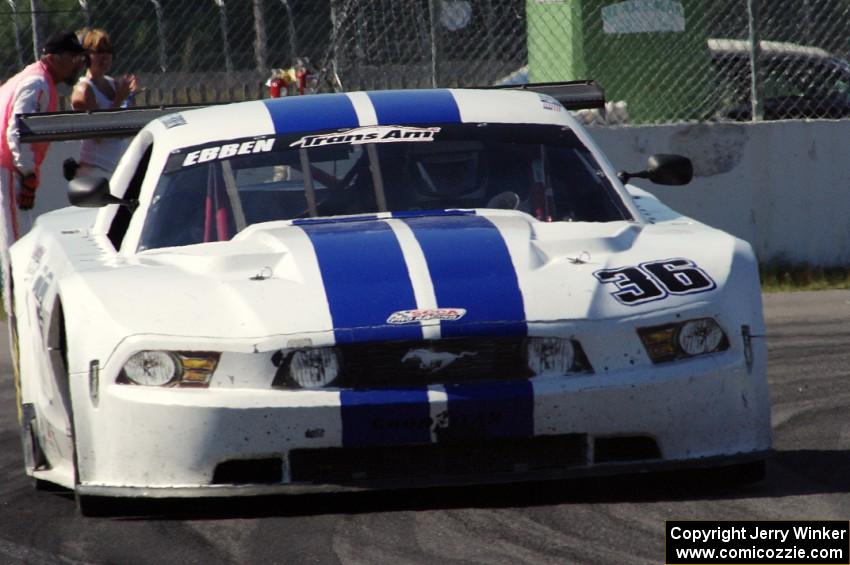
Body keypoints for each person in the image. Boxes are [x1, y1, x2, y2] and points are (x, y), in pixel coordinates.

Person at [71, 28, 138, 177]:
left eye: (108, 51)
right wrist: (119, 100)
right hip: (95, 168)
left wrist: (130, 97)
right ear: (87, 56)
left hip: (116, 168)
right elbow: (99, 135)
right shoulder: (84, 90)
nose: (105, 57)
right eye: (99, 52)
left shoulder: (112, 83)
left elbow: (125, 123)